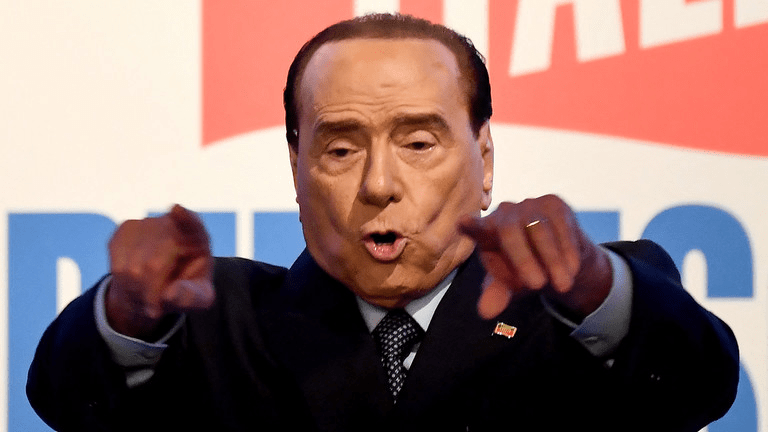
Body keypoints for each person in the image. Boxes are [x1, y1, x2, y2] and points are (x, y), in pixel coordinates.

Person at [28, 13, 738, 432]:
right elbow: (68, 403)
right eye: (341, 149)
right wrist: (126, 312)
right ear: (296, 165)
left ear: (484, 159)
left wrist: (594, 287)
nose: (378, 184)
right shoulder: (212, 322)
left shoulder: (583, 306)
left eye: (419, 143)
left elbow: (699, 387)